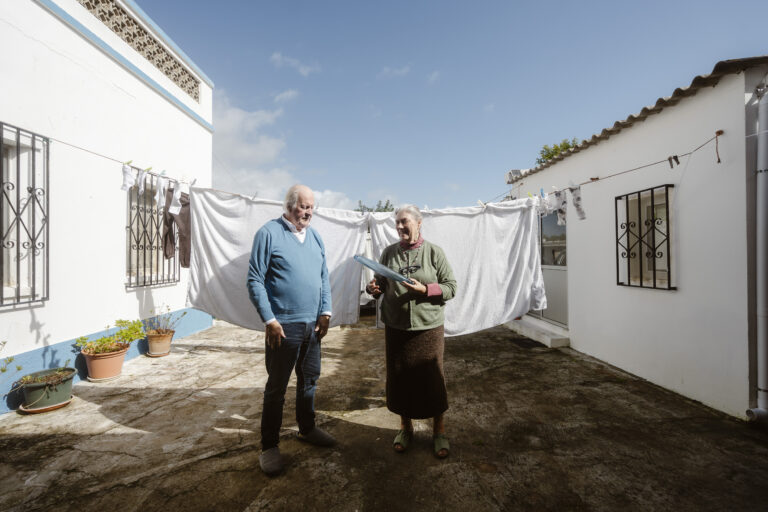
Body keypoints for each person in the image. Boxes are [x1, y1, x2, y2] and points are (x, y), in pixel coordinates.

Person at [247, 184, 335, 476]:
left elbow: (323, 276)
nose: (308, 212)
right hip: (282, 327)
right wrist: (269, 320)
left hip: (312, 326)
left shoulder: (315, 237)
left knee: (309, 380)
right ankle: (269, 446)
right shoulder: (269, 233)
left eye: (311, 207)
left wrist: (325, 312)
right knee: (277, 388)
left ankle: (306, 429)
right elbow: (255, 280)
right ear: (288, 206)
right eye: (303, 206)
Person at [366, 205, 457, 458]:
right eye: (396, 223)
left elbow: (451, 287)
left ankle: (438, 430)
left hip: (428, 328)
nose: (399, 227)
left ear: (419, 223)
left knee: (432, 379)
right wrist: (374, 288)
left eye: (404, 222)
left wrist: (426, 290)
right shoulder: (389, 253)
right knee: (401, 379)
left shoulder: (433, 253)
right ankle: (405, 428)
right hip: (397, 327)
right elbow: (380, 283)